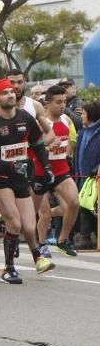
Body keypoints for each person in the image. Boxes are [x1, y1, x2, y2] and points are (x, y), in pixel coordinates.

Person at [0, 78, 55, 283]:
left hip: (21, 177)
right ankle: (8, 269)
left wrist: (47, 167)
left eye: (12, 92)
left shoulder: (25, 117)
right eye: (5, 93)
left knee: (29, 227)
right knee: (14, 223)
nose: (10, 95)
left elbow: (38, 144)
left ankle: (37, 258)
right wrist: (11, 166)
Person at [31, 85, 80, 257]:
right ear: (48, 104)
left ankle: (62, 240)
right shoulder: (42, 123)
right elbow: (32, 147)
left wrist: (66, 152)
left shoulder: (67, 119)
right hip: (41, 171)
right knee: (44, 215)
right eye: (58, 102)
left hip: (61, 170)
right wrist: (48, 145)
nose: (62, 105)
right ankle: (42, 244)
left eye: (64, 102)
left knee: (74, 203)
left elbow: (71, 139)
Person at [74, 102, 100, 250]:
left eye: (83, 113)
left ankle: (89, 236)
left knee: (93, 207)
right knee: (84, 205)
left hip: (95, 177)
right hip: (82, 176)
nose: (81, 116)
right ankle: (85, 236)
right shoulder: (83, 131)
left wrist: (96, 169)